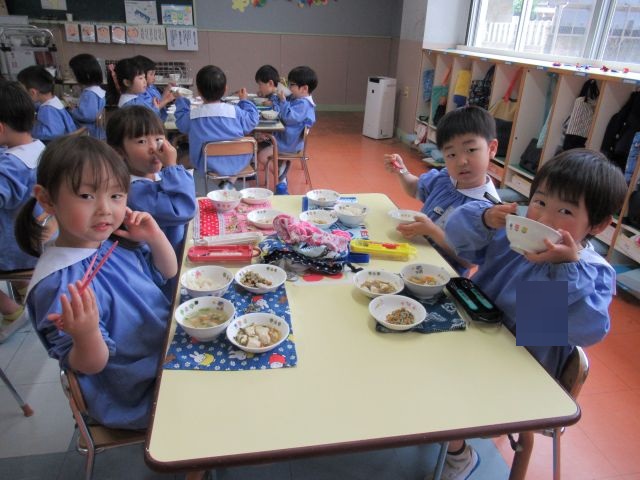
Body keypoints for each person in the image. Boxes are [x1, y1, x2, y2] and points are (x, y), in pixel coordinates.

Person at [436, 149, 627, 480]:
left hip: (518, 368)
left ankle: (457, 455)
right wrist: (486, 219)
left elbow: (577, 328)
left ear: (597, 225)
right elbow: (459, 238)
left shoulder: (588, 272)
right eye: (539, 202)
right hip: (475, 337)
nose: (544, 218)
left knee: (438, 383)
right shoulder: (516, 238)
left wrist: (562, 269)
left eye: (565, 211)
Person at [16, 135, 177, 430]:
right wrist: (87, 333)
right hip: (139, 387)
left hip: (166, 347)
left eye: (116, 196)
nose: (105, 209)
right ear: (47, 200)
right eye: (86, 196)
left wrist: (155, 237)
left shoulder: (109, 243)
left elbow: (167, 272)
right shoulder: (61, 285)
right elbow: (91, 365)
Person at [383, 106, 501, 275]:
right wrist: (402, 171)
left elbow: (468, 262)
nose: (461, 161)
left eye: (471, 150)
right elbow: (415, 188)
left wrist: (433, 231)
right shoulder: (446, 180)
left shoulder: (487, 210)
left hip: (443, 275)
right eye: (451, 154)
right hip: (416, 257)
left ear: (492, 148)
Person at [106, 105, 196, 255]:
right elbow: (184, 209)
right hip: (169, 261)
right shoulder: (132, 192)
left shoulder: (157, 175)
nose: (154, 148)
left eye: (159, 139)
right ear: (119, 152)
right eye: (142, 141)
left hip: (183, 245)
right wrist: (172, 166)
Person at [0, 81, 46, 342]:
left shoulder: (9, 168)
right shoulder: (40, 149)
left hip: (16, 250)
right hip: (38, 239)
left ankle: (11, 310)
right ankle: (23, 290)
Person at [174, 65, 259, 189]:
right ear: (225, 89)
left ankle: (223, 185)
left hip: (207, 162)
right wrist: (244, 100)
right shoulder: (235, 111)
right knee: (231, 155)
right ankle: (228, 183)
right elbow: (252, 119)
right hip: (239, 160)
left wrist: (181, 101)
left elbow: (181, 124)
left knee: (185, 159)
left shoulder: (193, 115)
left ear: (199, 91)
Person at [257, 65, 317, 195]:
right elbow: (282, 105)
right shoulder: (297, 99)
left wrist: (283, 101)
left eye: (292, 85)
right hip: (285, 138)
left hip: (289, 143)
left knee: (261, 156)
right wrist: (278, 97)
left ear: (304, 88)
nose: (289, 88)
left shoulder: (304, 104)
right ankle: (280, 168)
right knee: (259, 141)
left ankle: (281, 175)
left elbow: (288, 117)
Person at [17, 65, 76, 142]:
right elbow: (39, 106)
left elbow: (54, 132)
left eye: (23, 92)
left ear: (32, 92)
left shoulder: (47, 109)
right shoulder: (53, 100)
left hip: (58, 146)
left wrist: (30, 129)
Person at [68, 53, 107, 140]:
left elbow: (88, 116)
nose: (72, 76)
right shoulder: (97, 89)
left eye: (73, 73)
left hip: (89, 133)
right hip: (96, 132)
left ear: (84, 75)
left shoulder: (89, 94)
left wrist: (73, 110)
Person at [132, 55, 176, 121]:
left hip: (163, 119)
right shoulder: (139, 93)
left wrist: (167, 90)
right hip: (154, 123)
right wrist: (167, 99)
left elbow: (159, 102)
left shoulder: (151, 87)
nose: (154, 78)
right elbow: (150, 113)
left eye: (154, 74)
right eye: (151, 74)